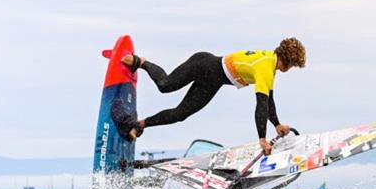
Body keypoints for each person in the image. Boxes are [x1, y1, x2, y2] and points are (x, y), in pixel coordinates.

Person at [121, 38, 306, 155]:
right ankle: (142, 62)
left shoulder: (270, 66)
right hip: (204, 64)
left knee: (180, 114)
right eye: (292, 66)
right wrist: (262, 139)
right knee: (165, 85)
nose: (289, 70)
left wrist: (277, 124)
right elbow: (261, 105)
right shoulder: (266, 66)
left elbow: (269, 101)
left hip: (213, 81)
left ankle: (140, 124)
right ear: (289, 62)